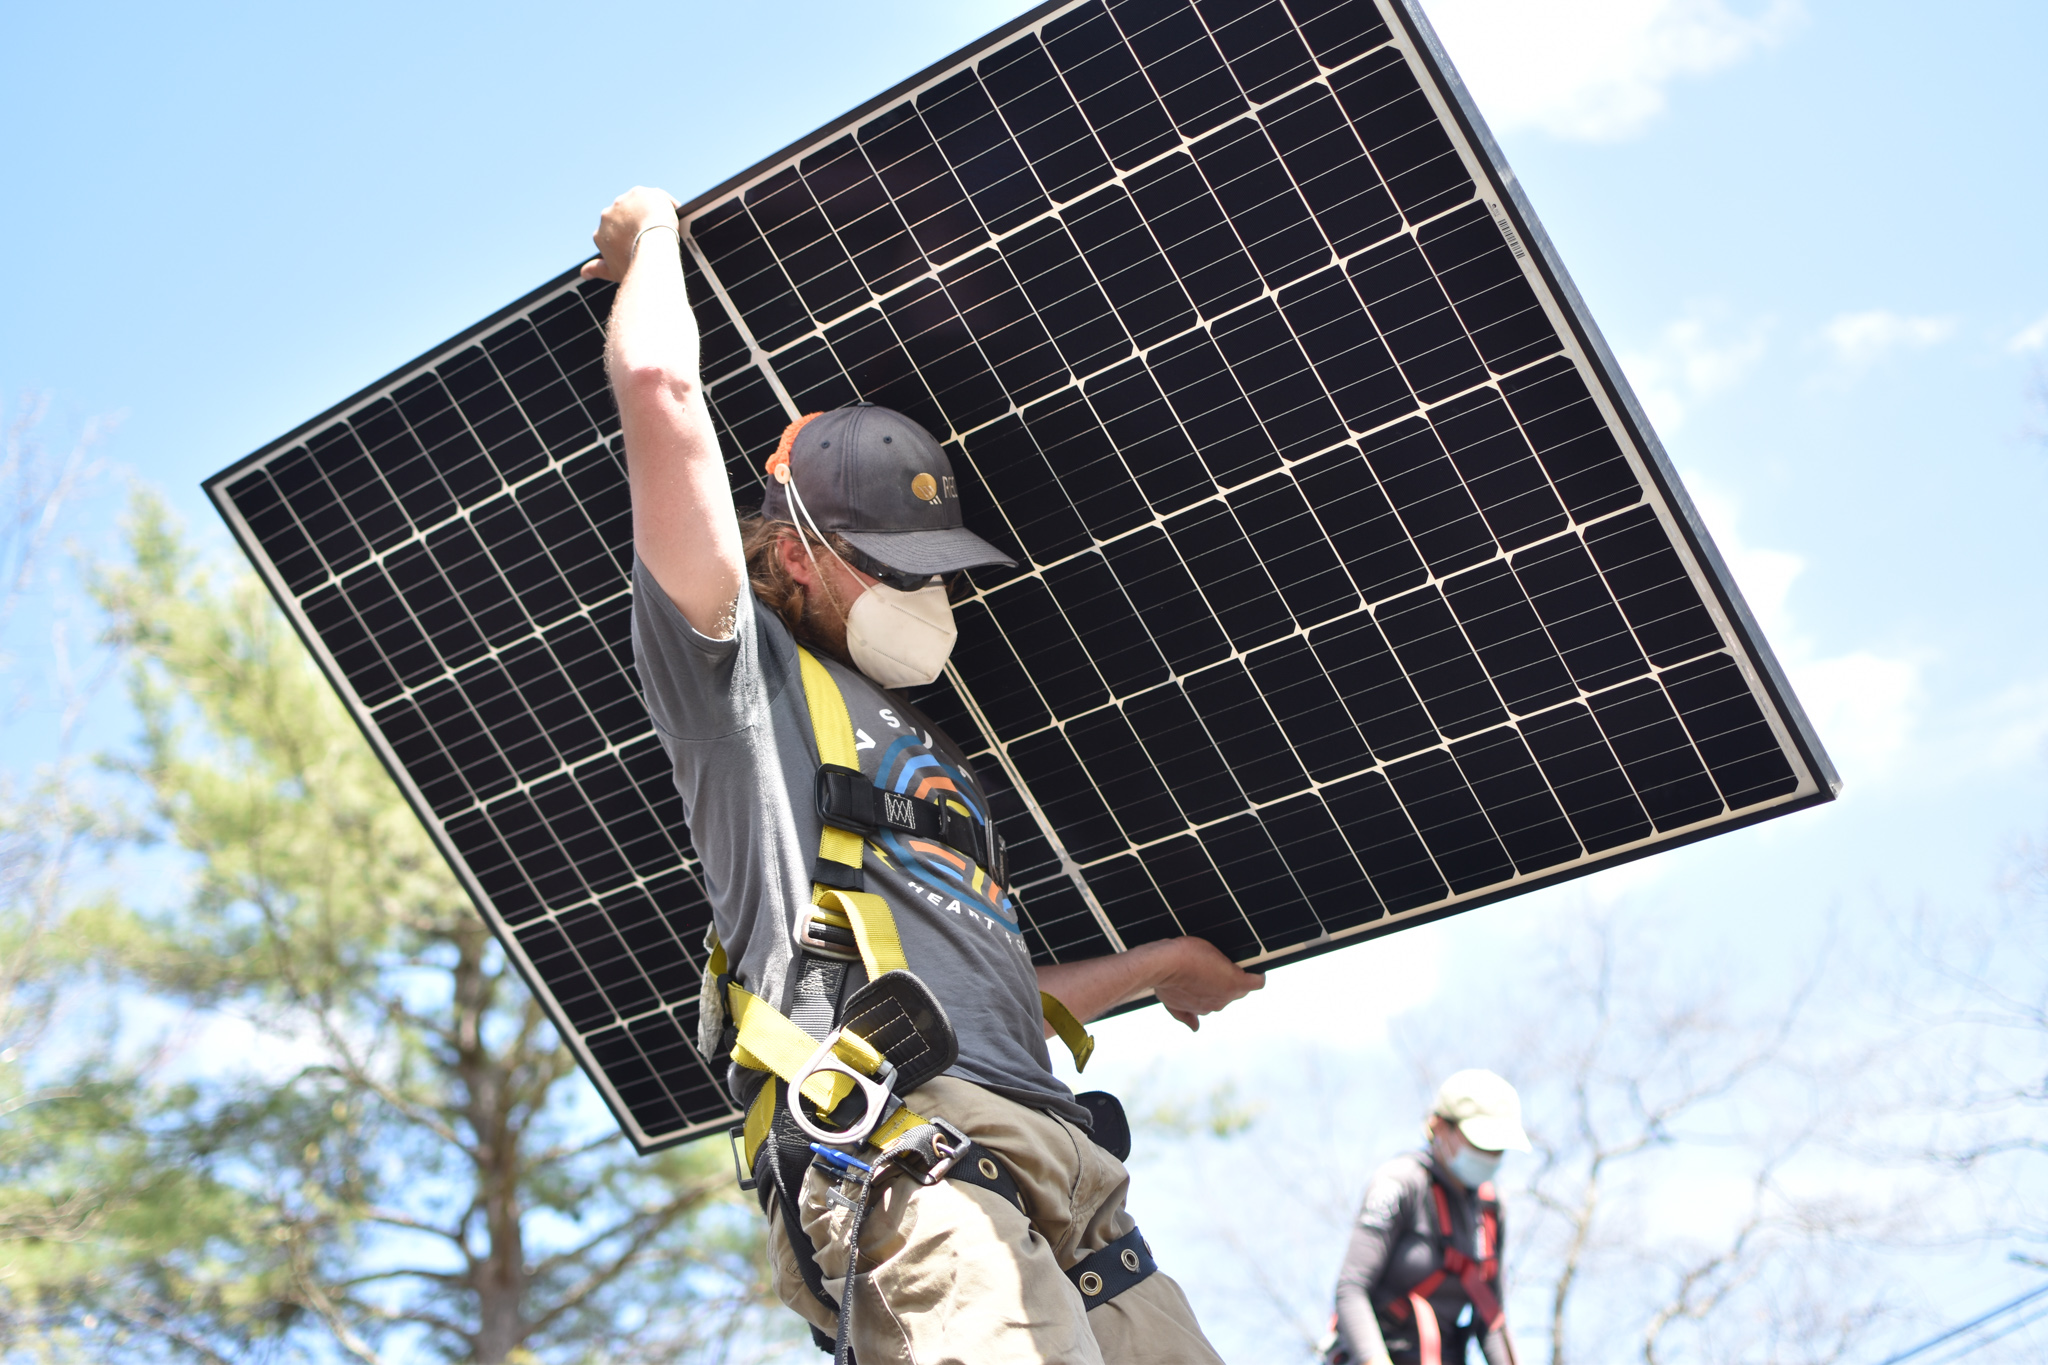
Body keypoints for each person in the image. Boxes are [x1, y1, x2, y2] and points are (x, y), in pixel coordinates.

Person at [583, 186, 1264, 1365]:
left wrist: (1155, 967)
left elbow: (984, 978)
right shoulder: (738, 687)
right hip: (908, 1155)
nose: (923, 598)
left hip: (1070, 1174)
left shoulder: (918, 740)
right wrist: (649, 243)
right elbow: (660, 396)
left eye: (933, 570)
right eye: (892, 569)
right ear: (790, 551)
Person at [1326, 1070, 1529, 1365]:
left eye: (1498, 1148)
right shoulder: (1400, 1184)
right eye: (1480, 1143)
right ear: (1438, 1127)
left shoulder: (1490, 1210)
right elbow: (1351, 1290)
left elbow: (1491, 1318)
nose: (1489, 1154)